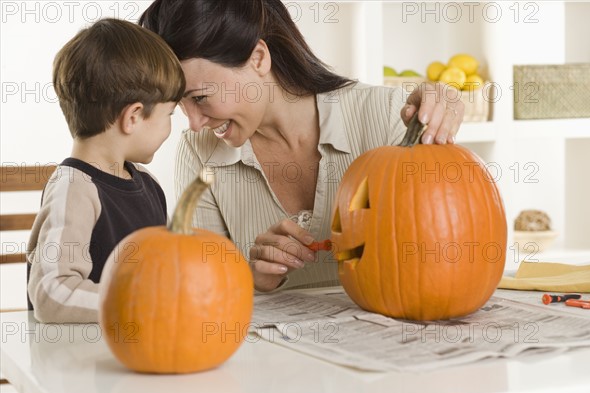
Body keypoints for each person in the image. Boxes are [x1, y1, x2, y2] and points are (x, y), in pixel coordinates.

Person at [139, 0, 465, 293]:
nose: (194, 123)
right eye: (180, 105)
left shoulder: (387, 117)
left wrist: (436, 123)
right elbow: (201, 293)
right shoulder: (200, 154)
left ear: (258, 58)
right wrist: (251, 277)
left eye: (200, 98)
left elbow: (445, 241)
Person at [27, 18, 186, 323]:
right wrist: (140, 301)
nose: (171, 127)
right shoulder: (74, 189)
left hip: (136, 354)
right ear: (134, 117)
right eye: (170, 114)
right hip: (78, 362)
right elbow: (51, 293)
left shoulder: (149, 186)